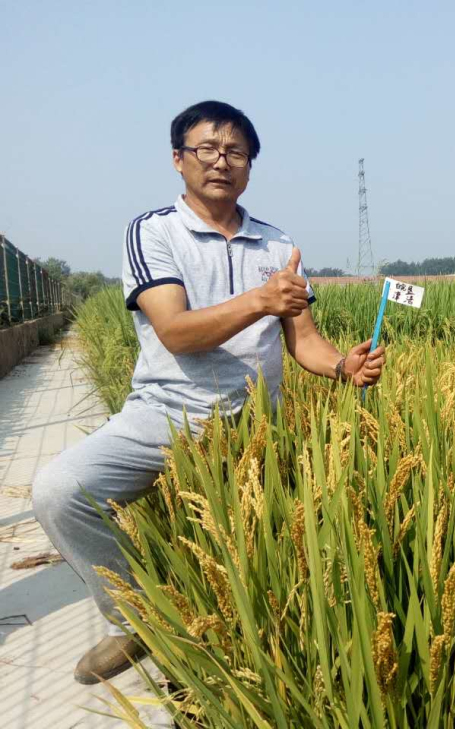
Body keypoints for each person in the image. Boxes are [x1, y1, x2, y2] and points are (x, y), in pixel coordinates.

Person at [32, 100, 386, 684]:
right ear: (179, 159)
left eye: (236, 152)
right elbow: (176, 332)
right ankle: (138, 617)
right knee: (59, 490)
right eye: (207, 148)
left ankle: (252, 655)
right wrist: (261, 300)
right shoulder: (154, 232)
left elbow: (305, 341)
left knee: (283, 548)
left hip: (255, 423)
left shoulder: (277, 246)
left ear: (250, 165)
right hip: (163, 417)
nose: (222, 161)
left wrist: (344, 366)